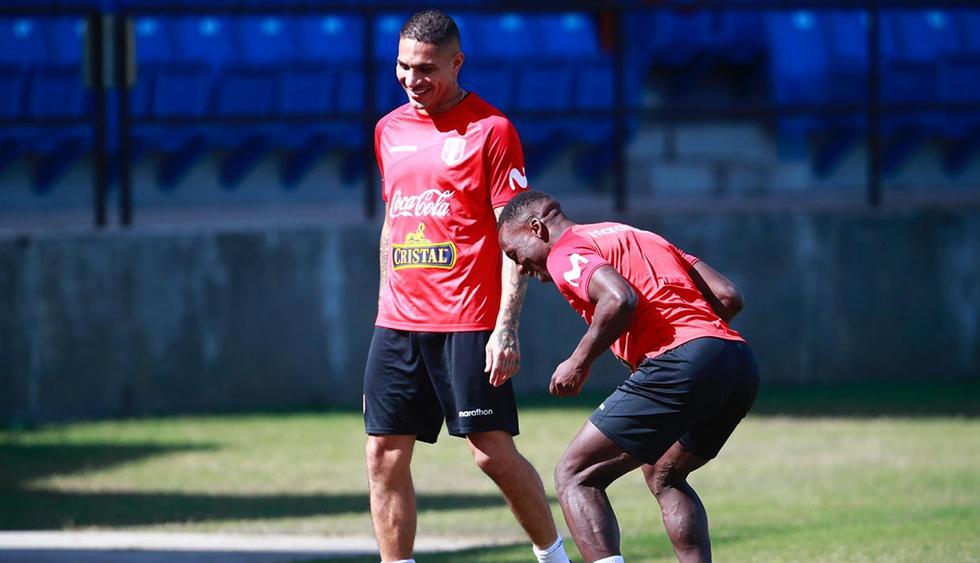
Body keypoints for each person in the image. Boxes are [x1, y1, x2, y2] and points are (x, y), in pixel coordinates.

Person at [363, 10, 570, 563]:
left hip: (468, 321)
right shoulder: (388, 130)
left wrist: (506, 327)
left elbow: (516, 236)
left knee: (490, 454)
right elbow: (393, 224)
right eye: (403, 67)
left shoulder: (492, 130)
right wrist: (383, 308)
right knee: (383, 454)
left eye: (426, 69)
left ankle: (553, 557)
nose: (412, 79)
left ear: (457, 63)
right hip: (398, 323)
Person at [497, 191, 760, 563]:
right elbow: (728, 295)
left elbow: (618, 298)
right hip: (737, 361)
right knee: (664, 474)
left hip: (681, 361)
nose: (521, 268)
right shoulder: (638, 235)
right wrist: (701, 347)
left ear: (536, 228)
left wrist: (578, 362)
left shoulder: (564, 251)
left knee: (575, 475)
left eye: (514, 254)